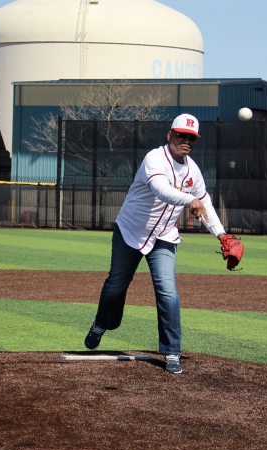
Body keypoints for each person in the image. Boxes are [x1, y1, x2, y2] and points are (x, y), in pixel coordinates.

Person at [85, 113, 226, 374]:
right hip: (130, 232)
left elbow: (204, 203)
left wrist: (222, 235)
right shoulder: (154, 158)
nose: (186, 141)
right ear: (170, 135)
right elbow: (161, 189)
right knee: (116, 285)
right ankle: (101, 323)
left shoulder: (193, 170)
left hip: (163, 236)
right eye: (181, 135)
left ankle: (172, 351)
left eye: (191, 138)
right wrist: (188, 200)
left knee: (168, 292)